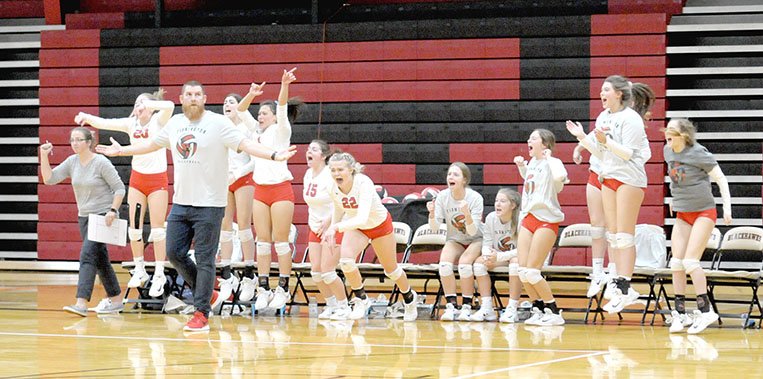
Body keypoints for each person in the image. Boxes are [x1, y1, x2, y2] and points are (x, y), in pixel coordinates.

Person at [97, 80, 296, 332]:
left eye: (197, 94)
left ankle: (202, 311)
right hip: (181, 203)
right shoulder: (175, 123)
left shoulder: (218, 123)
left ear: (204, 98)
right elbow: (151, 145)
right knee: (175, 253)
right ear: (181, 99)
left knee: (204, 259)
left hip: (210, 204)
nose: (193, 98)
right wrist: (121, 151)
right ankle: (208, 294)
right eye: (188, 94)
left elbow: (246, 145)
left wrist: (275, 155)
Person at [74, 90, 174, 297]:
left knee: (157, 230)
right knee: (134, 230)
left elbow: (171, 106)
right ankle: (139, 269)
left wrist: (151, 104)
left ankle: (159, 273)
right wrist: (86, 117)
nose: (139, 106)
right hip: (138, 180)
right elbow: (105, 122)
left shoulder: (158, 121)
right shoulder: (131, 124)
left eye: (143, 104)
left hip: (158, 180)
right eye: (137, 103)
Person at [566, 75, 651, 314]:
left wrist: (606, 142)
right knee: (613, 236)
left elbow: (628, 155)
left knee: (624, 235)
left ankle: (624, 286)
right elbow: (602, 154)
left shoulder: (631, 118)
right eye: (601, 90)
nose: (601, 94)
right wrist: (582, 138)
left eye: (606, 90)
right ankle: (619, 285)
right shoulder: (603, 117)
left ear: (619, 94)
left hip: (629, 178)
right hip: (609, 176)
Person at [321, 152, 418, 322]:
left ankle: (410, 298)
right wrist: (332, 229)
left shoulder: (364, 183)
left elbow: (363, 217)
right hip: (358, 228)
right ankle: (361, 299)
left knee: (391, 270)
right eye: (333, 170)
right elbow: (339, 208)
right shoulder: (331, 187)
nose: (336, 174)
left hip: (379, 226)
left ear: (351, 169)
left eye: (340, 169)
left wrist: (336, 227)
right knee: (346, 261)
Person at [40, 127, 126, 316]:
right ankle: (116, 300)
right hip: (84, 217)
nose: (75, 143)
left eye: (79, 139)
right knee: (101, 260)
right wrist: (44, 156)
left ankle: (81, 302)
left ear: (89, 142)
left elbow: (119, 189)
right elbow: (49, 179)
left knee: (87, 256)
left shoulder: (101, 162)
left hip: (104, 217)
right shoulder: (72, 162)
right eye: (72, 140)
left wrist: (113, 210)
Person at [236, 69, 302, 312]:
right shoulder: (256, 132)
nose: (260, 116)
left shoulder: (281, 130)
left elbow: (283, 106)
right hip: (260, 191)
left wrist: (284, 84)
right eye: (260, 113)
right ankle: (263, 288)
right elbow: (241, 111)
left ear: (274, 117)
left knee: (280, 243)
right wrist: (251, 94)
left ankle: (282, 289)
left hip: (281, 190)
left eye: (264, 113)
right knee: (262, 242)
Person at [664, 118, 730, 334]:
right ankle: (680, 314)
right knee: (676, 263)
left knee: (691, 262)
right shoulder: (667, 150)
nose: (667, 132)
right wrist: (675, 198)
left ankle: (706, 311)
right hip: (683, 213)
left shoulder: (699, 153)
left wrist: (727, 208)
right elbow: (675, 178)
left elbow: (721, 179)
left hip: (704, 212)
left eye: (672, 129)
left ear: (683, 135)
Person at [513, 129, 568, 326]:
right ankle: (538, 308)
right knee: (522, 270)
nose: (529, 140)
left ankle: (553, 311)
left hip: (546, 219)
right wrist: (522, 167)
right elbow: (531, 184)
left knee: (533, 271)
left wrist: (550, 158)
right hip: (528, 217)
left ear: (544, 144)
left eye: (534, 138)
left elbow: (560, 178)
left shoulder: (553, 163)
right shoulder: (534, 164)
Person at [426, 162, 484, 321]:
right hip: (455, 239)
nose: (450, 177)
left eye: (455, 174)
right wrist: (431, 214)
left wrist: (466, 213)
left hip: (476, 239)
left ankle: (466, 306)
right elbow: (435, 227)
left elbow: (472, 231)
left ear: (464, 180)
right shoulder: (442, 197)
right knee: (444, 265)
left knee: (465, 264)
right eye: (449, 174)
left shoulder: (475, 198)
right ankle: (451, 306)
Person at [217, 91, 259, 303]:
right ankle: (226, 274)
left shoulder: (246, 129)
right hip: (224, 180)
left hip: (244, 179)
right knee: (225, 225)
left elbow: (254, 160)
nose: (227, 104)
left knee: (243, 225)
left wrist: (238, 173)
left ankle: (249, 272)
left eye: (231, 101)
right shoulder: (220, 128)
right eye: (225, 102)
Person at [302, 140, 346, 318]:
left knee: (328, 271)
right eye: (308, 149)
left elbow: (341, 201)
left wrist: (329, 221)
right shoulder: (307, 174)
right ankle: (331, 304)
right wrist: (316, 223)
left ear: (324, 156)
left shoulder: (330, 175)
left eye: (314, 149)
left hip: (333, 226)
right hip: (315, 226)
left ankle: (344, 306)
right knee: (316, 272)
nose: (308, 152)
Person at [470, 188, 522, 323]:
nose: (497, 204)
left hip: (524, 258)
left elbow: (523, 250)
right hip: (502, 257)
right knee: (479, 263)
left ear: (513, 205)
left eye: (503, 201)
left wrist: (499, 257)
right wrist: (488, 256)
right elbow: (487, 243)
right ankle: (487, 308)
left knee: (515, 261)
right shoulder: (491, 218)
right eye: (496, 201)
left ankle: (512, 309)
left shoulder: (521, 220)